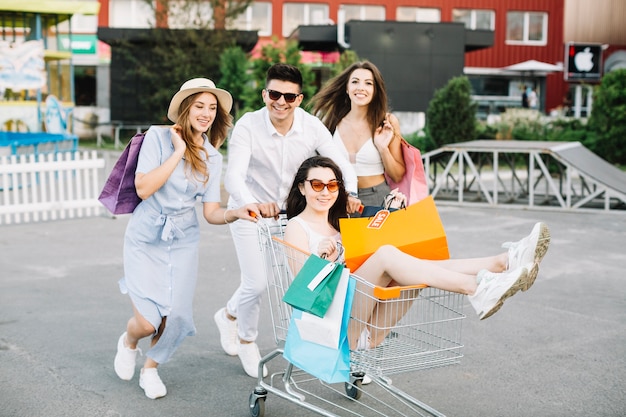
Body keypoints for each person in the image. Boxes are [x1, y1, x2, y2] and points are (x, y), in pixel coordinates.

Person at [283, 156, 551, 349]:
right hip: (336, 328)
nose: (326, 192)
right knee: (387, 255)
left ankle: (502, 262)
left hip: (368, 321)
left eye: (332, 185)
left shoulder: (340, 225)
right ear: (302, 187)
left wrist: (387, 214)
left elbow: (366, 263)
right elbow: (303, 292)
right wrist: (319, 257)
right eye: (317, 185)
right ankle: (477, 287)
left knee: (413, 260)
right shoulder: (297, 227)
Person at [113, 78, 260, 399]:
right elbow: (143, 188)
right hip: (146, 235)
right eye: (199, 106)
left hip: (183, 238)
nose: (206, 113)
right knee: (148, 321)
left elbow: (211, 213)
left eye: (212, 108)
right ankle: (128, 341)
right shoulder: (157, 137)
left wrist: (237, 212)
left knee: (176, 316)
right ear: (185, 109)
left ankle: (150, 368)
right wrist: (179, 150)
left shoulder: (212, 156)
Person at [215, 63, 362, 378]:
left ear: (300, 98)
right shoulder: (248, 125)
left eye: (289, 97)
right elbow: (235, 175)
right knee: (257, 282)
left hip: (293, 215)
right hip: (250, 212)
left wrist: (349, 192)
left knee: (301, 278)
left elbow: (339, 161)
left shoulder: (311, 126)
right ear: (265, 93)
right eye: (275, 94)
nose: (281, 102)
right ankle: (246, 339)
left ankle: (229, 313)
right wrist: (252, 204)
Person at [309, 61, 406, 208]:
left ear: (375, 90)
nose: (361, 88)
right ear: (347, 88)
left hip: (376, 199)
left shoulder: (386, 122)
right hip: (337, 198)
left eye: (368, 83)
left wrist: (383, 148)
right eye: (355, 82)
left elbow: (397, 175)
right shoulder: (330, 121)